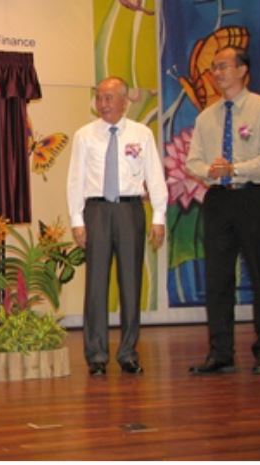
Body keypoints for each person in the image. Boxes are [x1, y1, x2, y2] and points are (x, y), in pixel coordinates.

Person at [186, 46, 260, 375]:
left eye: (224, 66)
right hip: (218, 200)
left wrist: (236, 169)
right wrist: (210, 171)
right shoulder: (206, 117)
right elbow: (193, 162)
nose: (217, 73)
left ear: (243, 70)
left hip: (252, 197)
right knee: (217, 279)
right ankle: (221, 352)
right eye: (214, 68)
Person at [66, 76, 167, 376]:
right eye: (99, 97)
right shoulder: (84, 135)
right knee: (96, 284)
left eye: (109, 98)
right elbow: (75, 180)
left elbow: (155, 176)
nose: (103, 103)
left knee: (131, 282)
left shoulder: (142, 134)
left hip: (129, 209)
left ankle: (128, 353)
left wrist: (159, 217)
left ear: (125, 101)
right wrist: (77, 220)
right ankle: (96, 355)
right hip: (96, 210)